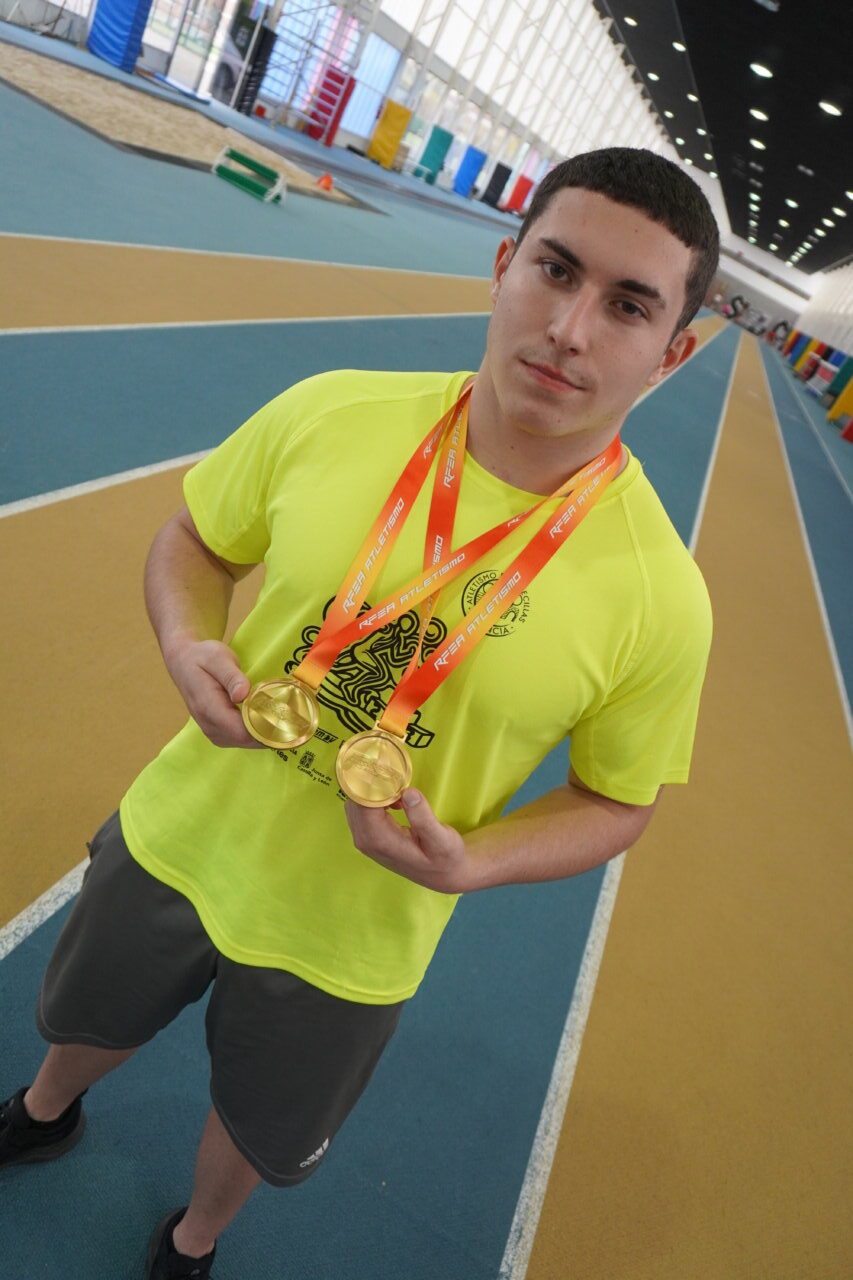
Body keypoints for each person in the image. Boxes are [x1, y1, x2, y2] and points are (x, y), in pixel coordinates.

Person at [1, 147, 718, 1278]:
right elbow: (196, 542)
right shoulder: (332, 412)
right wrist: (190, 640)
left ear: (672, 351)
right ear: (502, 263)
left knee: (257, 1122)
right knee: (85, 1010)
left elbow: (615, 798)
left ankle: (192, 1240)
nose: (570, 328)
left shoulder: (662, 597)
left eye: (627, 305)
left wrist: (472, 863)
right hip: (187, 826)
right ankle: (44, 1110)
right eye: (555, 269)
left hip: (356, 933)